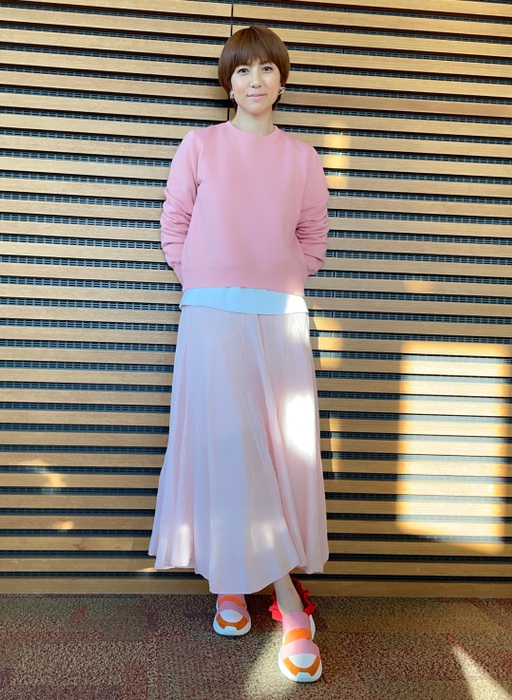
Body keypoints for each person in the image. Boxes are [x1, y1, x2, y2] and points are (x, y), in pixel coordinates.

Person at [148, 25, 330, 683]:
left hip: (279, 316)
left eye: (266, 69)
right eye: (242, 70)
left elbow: (313, 236)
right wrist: (201, 275)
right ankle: (250, 586)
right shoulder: (199, 145)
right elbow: (174, 225)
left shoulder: (302, 157)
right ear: (228, 83)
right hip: (210, 314)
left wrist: (284, 274)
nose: (255, 80)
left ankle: (268, 589)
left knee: (278, 448)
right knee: (227, 444)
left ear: (282, 81)